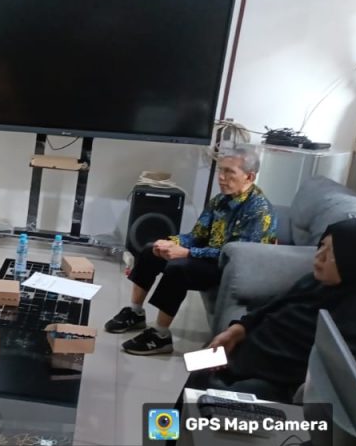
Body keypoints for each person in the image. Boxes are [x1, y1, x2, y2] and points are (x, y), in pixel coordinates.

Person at [200, 217, 356, 401]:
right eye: (322, 246)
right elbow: (273, 306)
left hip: (276, 383)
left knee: (209, 401)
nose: (318, 257)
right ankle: (176, 434)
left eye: (332, 254)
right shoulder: (320, 282)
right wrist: (238, 330)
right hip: (237, 357)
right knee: (193, 368)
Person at [106, 146, 277, 356]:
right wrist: (171, 243)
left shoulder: (259, 210)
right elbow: (197, 235)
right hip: (211, 258)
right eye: (221, 170)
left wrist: (188, 253)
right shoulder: (220, 200)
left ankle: (160, 336)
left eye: (229, 172)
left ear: (249, 176)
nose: (221, 177)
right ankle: (135, 312)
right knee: (152, 250)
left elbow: (237, 256)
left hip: (233, 270)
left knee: (179, 269)